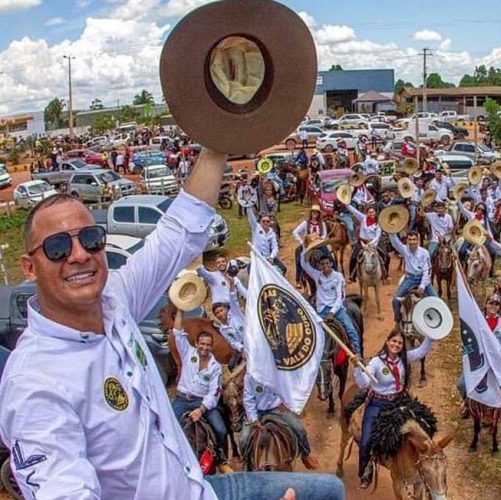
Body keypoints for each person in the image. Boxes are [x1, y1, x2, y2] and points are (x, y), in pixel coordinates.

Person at [0, 148, 344, 499]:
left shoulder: (114, 299)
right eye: (58, 247)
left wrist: (217, 143)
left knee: (329, 491)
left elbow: (178, 234)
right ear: (29, 267)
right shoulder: (34, 384)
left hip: (196, 487)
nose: (79, 255)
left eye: (90, 239)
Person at [353, 329, 436, 488]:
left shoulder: (404, 358)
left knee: (425, 423)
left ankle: (427, 461)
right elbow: (363, 383)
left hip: (399, 401)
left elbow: (421, 351)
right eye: (394, 341)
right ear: (387, 342)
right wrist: (357, 368)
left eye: (399, 343)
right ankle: (365, 472)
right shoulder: (376, 362)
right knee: (366, 440)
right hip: (378, 403)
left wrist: (432, 335)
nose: (396, 345)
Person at [170, 310, 228, 462]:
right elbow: (177, 331)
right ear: (196, 344)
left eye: (208, 345)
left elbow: (214, 393)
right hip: (182, 400)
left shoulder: (215, 367)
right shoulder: (187, 353)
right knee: (167, 426)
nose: (205, 347)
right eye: (202, 344)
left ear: (212, 346)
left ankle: (221, 457)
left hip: (201, 403)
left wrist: (201, 410)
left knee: (221, 430)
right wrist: (181, 310)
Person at [238, 371, 319, 470]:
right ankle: (247, 462)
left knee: (300, 429)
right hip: (257, 412)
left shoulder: (278, 371)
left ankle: (306, 455)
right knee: (243, 438)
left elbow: (288, 388)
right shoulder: (249, 376)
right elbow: (248, 400)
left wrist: (286, 402)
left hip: (277, 409)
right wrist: (254, 419)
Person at [300, 251, 361, 356]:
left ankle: (357, 354)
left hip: (336, 309)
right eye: (322, 264)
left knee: (351, 330)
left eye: (327, 263)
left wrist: (332, 312)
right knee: (309, 333)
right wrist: (307, 249)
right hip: (321, 310)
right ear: (319, 266)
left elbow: (340, 296)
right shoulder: (317, 275)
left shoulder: (338, 276)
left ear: (331, 264)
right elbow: (304, 264)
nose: (325, 266)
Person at [457, 294, 501, 401]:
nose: (493, 306)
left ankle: (499, 406)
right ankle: (466, 402)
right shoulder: (478, 318)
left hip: (495, 358)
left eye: (496, 304)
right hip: (478, 357)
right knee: (461, 384)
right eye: (491, 303)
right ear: (486, 304)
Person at [389, 231, 436, 323]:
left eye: (414, 239)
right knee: (395, 301)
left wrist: (422, 285)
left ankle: (434, 323)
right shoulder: (404, 249)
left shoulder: (424, 253)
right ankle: (398, 321)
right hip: (409, 279)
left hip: (422, 279)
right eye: (410, 239)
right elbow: (395, 242)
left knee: (436, 300)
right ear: (407, 240)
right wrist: (391, 231)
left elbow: (427, 270)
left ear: (418, 240)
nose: (412, 242)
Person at [292, 205, 329, 288]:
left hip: (318, 244)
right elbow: (295, 232)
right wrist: (302, 242)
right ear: (311, 213)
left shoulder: (322, 224)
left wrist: (320, 239)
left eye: (316, 212)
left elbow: (324, 235)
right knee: (299, 258)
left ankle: (334, 272)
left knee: (329, 256)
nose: (314, 214)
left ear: (318, 214)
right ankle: (298, 279)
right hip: (307, 245)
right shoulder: (305, 223)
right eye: (313, 212)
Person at [345, 204, 384, 283]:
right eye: (370, 212)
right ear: (367, 213)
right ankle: (352, 276)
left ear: (375, 212)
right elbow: (354, 211)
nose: (372, 214)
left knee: (385, 256)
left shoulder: (379, 222)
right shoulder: (363, 218)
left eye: (373, 212)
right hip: (362, 242)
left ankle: (385, 275)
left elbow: (377, 236)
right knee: (353, 257)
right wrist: (346, 204)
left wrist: (371, 244)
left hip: (374, 243)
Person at [247, 207, 286, 275]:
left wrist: (271, 257)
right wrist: (248, 206)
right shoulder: (256, 228)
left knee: (283, 269)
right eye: (263, 221)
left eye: (267, 221)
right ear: (260, 222)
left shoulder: (272, 233)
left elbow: (275, 247)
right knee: (250, 272)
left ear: (270, 222)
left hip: (268, 258)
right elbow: (251, 217)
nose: (265, 223)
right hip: (257, 258)